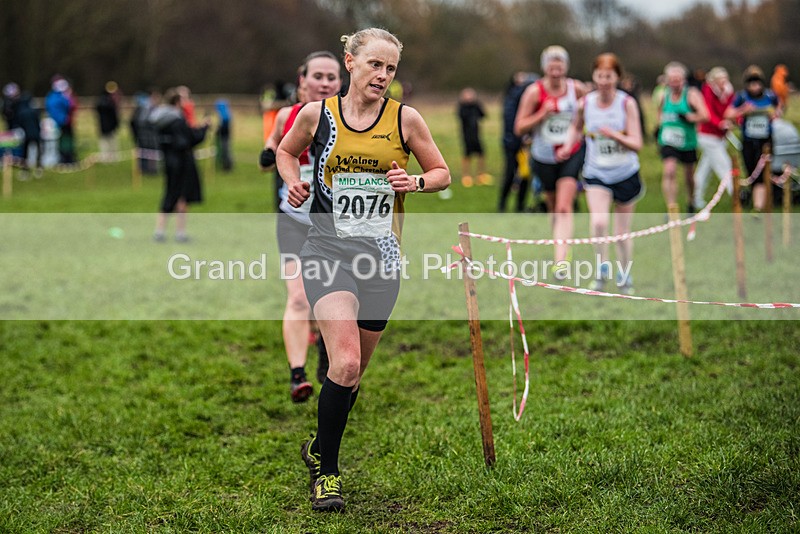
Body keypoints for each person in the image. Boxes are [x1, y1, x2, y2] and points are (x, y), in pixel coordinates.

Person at [276, 28, 450, 512]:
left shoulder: (405, 119)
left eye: (391, 68)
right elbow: (286, 152)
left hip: (381, 259)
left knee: (351, 377)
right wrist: (294, 183)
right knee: (345, 363)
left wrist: (414, 180)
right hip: (327, 251)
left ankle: (318, 446)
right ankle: (327, 473)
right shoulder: (318, 114)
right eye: (375, 64)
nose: (383, 75)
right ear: (349, 62)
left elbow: (442, 173)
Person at [260, 51, 342, 403]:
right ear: (302, 79)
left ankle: (328, 349)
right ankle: (298, 376)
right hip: (293, 218)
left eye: (331, 77)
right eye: (318, 76)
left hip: (336, 223)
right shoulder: (286, 116)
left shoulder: (351, 119)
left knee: (331, 298)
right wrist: (274, 155)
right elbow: (270, 154)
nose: (325, 83)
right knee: (297, 298)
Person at [559, 53, 643, 295]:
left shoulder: (626, 103)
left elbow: (637, 142)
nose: (604, 80)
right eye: (599, 75)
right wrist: (567, 145)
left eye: (609, 76)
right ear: (594, 76)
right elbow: (575, 127)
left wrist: (616, 135)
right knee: (598, 223)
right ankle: (601, 270)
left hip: (625, 173)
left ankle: (625, 275)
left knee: (621, 233)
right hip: (596, 172)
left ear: (617, 77)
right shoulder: (586, 103)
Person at [514, 45, 588, 279]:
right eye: (552, 66)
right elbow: (519, 127)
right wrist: (541, 114)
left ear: (566, 67)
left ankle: (561, 260)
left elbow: (589, 115)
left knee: (565, 206)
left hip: (571, 153)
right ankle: (561, 244)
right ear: (545, 67)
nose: (556, 71)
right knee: (553, 207)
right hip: (543, 157)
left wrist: (580, 134)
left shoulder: (576, 89)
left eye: (560, 66)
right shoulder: (534, 93)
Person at [150, 88, 210, 242]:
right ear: (177, 102)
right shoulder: (177, 120)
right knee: (181, 197)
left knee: (169, 194)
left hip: (168, 162)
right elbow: (188, 140)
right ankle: (180, 233)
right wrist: (204, 129)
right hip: (181, 162)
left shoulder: (161, 119)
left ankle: (160, 231)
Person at [726, 65, 782, 212]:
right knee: (751, 171)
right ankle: (758, 202)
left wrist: (775, 114)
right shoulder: (742, 97)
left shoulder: (770, 96)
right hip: (749, 141)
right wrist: (743, 110)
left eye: (757, 83)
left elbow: (779, 108)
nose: (755, 87)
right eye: (751, 84)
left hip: (766, 141)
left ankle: (759, 207)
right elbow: (728, 113)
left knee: (762, 174)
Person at [655, 61, 708, 213]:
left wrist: (690, 117)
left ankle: (691, 201)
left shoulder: (691, 94)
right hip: (668, 140)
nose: (674, 83)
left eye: (677, 80)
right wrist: (660, 125)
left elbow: (705, 115)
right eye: (671, 80)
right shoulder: (664, 95)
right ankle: (671, 207)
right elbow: (660, 112)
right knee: (669, 170)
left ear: (683, 80)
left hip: (687, 141)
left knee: (688, 176)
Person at [694, 67, 735, 210]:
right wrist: (720, 123)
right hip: (707, 136)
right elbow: (708, 112)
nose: (723, 83)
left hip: (720, 136)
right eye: (720, 80)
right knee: (725, 165)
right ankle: (736, 195)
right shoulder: (708, 90)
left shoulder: (729, 92)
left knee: (704, 170)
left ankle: (695, 197)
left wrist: (735, 120)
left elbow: (732, 108)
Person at [498, 72, 536, 212]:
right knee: (510, 174)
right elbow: (511, 121)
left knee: (525, 174)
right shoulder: (514, 97)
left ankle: (519, 206)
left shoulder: (515, 95)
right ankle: (502, 205)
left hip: (523, 143)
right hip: (512, 143)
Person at [457, 87, 492, 187]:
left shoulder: (476, 106)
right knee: (467, 155)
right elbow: (461, 116)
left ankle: (481, 175)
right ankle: (466, 176)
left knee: (481, 154)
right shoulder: (462, 107)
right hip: (466, 135)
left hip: (477, 134)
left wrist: (476, 103)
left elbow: (483, 114)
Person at [45, 76, 78, 165]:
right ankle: (67, 158)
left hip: (56, 122)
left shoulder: (50, 97)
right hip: (64, 121)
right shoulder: (61, 97)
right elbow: (69, 105)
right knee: (66, 140)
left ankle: (63, 157)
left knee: (60, 140)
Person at [95, 81, 121, 162]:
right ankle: (108, 157)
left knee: (109, 142)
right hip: (108, 125)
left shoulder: (104, 101)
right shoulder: (108, 102)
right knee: (107, 142)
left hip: (106, 125)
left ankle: (109, 157)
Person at [214, 99, 233, 171]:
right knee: (226, 150)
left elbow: (223, 126)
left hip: (224, 135)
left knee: (225, 150)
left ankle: (227, 166)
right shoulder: (226, 113)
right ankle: (226, 165)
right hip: (225, 135)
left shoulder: (224, 115)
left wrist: (218, 130)